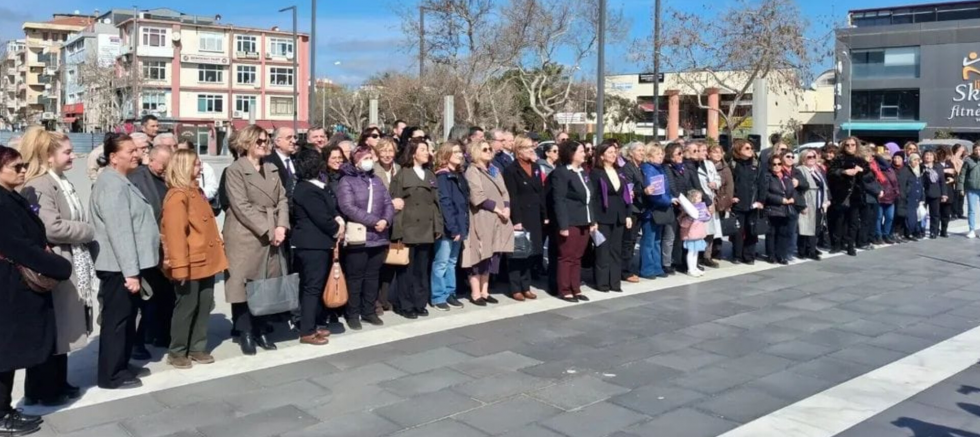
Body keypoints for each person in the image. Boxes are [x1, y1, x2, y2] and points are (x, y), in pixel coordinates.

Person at [0, 145, 72, 435]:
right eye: (15, 166)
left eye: (23, 165)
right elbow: (19, 246)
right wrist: (58, 266)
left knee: (10, 351)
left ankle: (5, 410)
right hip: (9, 286)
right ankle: (2, 414)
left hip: (15, 284)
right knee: (5, 352)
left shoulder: (10, 197)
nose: (22, 170)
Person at [19, 131, 94, 405]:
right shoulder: (40, 184)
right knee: (55, 329)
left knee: (63, 328)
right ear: (48, 156)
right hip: (55, 263)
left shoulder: (59, 181)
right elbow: (51, 227)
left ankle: (58, 382)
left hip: (68, 260)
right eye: (67, 152)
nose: (72, 155)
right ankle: (43, 389)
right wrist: (86, 231)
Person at [90, 133, 160, 389]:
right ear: (112, 157)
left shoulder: (121, 180)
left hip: (125, 266)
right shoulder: (111, 184)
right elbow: (120, 232)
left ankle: (120, 364)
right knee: (117, 322)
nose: (136, 154)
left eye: (136, 150)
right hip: (117, 267)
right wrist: (131, 273)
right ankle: (110, 375)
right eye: (129, 151)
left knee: (128, 319)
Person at [223, 125, 289, 355]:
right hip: (245, 235)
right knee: (242, 284)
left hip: (272, 231)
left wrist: (281, 225)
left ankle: (262, 328)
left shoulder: (271, 168)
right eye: (259, 141)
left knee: (266, 283)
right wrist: (269, 230)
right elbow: (241, 206)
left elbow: (282, 199)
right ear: (247, 143)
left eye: (266, 141)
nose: (264, 144)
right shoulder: (235, 170)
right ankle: (245, 332)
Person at [160, 149, 229, 368]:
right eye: (197, 165)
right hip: (190, 262)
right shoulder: (177, 196)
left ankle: (197, 347)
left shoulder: (195, 191)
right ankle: (178, 350)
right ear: (183, 167)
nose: (200, 169)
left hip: (205, 260)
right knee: (186, 306)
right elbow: (175, 235)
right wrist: (179, 267)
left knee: (204, 303)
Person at [291, 147, 345, 341]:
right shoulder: (306, 189)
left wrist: (338, 218)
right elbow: (321, 217)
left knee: (315, 286)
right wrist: (337, 227)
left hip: (319, 244)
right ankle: (307, 330)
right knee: (311, 287)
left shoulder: (316, 186)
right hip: (311, 245)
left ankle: (313, 324)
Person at [336, 146, 393, 328]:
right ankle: (352, 313)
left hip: (379, 237)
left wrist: (385, 220)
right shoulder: (347, 181)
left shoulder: (376, 180)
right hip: (358, 238)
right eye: (366, 157)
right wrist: (373, 221)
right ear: (356, 161)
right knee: (355, 277)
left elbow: (388, 203)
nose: (370, 161)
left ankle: (368, 310)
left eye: (371, 157)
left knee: (372, 276)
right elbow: (348, 207)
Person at [128, 145, 174, 359]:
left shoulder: (168, 177)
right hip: (145, 246)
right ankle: (138, 341)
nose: (164, 170)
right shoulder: (137, 178)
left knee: (164, 294)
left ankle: (160, 334)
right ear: (151, 159)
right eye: (162, 166)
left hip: (164, 246)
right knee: (146, 297)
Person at [389, 138, 443, 319]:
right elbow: (395, 204)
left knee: (421, 269)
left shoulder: (430, 174)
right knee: (406, 270)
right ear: (413, 153)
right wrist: (397, 231)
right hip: (408, 228)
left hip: (426, 228)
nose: (427, 152)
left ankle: (420, 302)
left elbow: (435, 203)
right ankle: (405, 304)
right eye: (422, 149)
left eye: (427, 149)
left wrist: (438, 226)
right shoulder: (402, 175)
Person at [462, 140, 512, 305]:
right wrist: (497, 209)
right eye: (485, 149)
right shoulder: (472, 171)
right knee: (479, 255)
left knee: (492, 256)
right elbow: (477, 196)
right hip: (482, 217)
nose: (489, 151)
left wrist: (507, 208)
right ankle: (475, 293)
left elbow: (505, 191)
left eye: (490, 149)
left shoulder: (495, 170)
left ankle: (485, 291)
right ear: (476, 152)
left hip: (498, 219)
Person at [547, 140, 596, 303]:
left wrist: (593, 220)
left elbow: (589, 198)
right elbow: (558, 200)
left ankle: (576, 287)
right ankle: (565, 289)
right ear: (571, 154)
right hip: (570, 221)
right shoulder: (561, 173)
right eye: (581, 151)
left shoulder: (582, 172)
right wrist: (563, 225)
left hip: (584, 220)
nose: (584, 154)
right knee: (566, 256)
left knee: (577, 256)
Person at [502, 136, 545, 301]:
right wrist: (516, 219)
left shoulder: (535, 167)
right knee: (518, 253)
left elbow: (540, 191)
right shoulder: (511, 170)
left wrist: (544, 215)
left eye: (531, 147)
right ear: (518, 150)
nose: (531, 150)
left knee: (531, 252)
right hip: (520, 215)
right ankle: (516, 287)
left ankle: (526, 286)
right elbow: (512, 196)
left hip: (534, 215)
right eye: (527, 148)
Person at [589, 141, 632, 292]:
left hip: (619, 216)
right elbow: (593, 198)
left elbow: (626, 195)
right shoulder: (596, 173)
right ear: (601, 155)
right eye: (610, 152)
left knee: (616, 250)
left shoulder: (620, 172)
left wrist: (628, 214)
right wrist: (593, 219)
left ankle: (615, 283)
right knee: (602, 250)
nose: (613, 155)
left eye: (615, 152)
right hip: (603, 216)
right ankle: (602, 283)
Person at [432, 141, 469, 310]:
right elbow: (445, 203)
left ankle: (450, 292)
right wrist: (453, 227)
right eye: (455, 152)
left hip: (460, 224)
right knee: (441, 262)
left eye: (460, 152)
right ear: (446, 155)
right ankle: (438, 296)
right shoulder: (443, 176)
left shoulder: (459, 174)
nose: (460, 155)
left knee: (452, 262)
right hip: (449, 227)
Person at [371, 137, 400, 314]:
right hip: (379, 221)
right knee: (377, 263)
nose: (387, 155)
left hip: (397, 222)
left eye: (390, 151)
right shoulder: (373, 171)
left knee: (392, 262)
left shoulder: (400, 169)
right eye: (384, 151)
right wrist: (390, 203)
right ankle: (374, 301)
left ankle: (386, 297)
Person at [638, 143, 671, 279]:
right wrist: (668, 201)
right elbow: (655, 193)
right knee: (648, 241)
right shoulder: (649, 169)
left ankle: (657, 267)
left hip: (659, 209)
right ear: (650, 156)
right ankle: (647, 269)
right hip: (651, 210)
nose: (661, 156)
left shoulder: (659, 168)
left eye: (662, 154)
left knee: (657, 240)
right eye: (658, 154)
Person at [828, 137, 864, 256]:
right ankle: (836, 244)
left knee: (853, 222)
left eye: (852, 145)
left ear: (856, 146)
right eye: (847, 145)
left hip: (855, 194)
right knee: (839, 221)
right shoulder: (839, 158)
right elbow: (831, 172)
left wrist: (861, 170)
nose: (850, 147)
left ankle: (850, 245)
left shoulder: (860, 159)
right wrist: (843, 172)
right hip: (841, 194)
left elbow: (869, 174)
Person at [760, 154, 795, 264]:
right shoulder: (767, 177)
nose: (776, 166)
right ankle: (771, 255)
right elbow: (765, 194)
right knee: (771, 233)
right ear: (770, 165)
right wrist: (780, 200)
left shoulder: (786, 176)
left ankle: (782, 255)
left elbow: (792, 190)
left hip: (786, 209)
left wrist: (793, 198)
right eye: (774, 164)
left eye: (779, 164)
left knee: (783, 233)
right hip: (772, 208)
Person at [795, 149, 830, 260]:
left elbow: (823, 187)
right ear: (803, 158)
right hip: (807, 201)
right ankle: (803, 250)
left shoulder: (816, 170)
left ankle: (811, 248)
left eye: (813, 157)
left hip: (818, 202)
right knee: (805, 226)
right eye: (809, 157)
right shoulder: (800, 170)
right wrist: (802, 204)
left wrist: (826, 200)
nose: (812, 159)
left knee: (816, 227)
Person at [620, 142, 646, 282]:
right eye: (639, 150)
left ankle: (628, 267)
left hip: (640, 208)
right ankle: (625, 270)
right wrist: (643, 191)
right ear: (631, 153)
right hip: (632, 208)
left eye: (643, 150)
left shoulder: (640, 168)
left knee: (633, 239)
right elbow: (629, 188)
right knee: (628, 241)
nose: (642, 153)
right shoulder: (628, 168)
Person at [696, 142, 722, 267]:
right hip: (699, 201)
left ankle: (707, 255)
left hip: (710, 198)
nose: (705, 153)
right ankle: (696, 257)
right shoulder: (694, 166)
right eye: (702, 150)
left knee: (710, 230)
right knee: (698, 230)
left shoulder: (709, 164)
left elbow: (717, 178)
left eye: (705, 150)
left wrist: (715, 184)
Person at [708, 145, 734, 260]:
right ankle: (706, 253)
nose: (718, 155)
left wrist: (726, 202)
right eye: (715, 152)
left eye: (720, 152)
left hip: (721, 200)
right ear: (709, 154)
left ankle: (717, 251)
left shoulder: (725, 168)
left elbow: (729, 186)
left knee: (719, 228)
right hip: (709, 200)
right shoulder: (706, 166)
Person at [679, 189, 711, 277]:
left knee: (696, 251)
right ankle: (690, 269)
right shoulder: (687, 210)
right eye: (698, 198)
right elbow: (682, 223)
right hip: (690, 234)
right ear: (692, 199)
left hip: (698, 234)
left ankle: (694, 267)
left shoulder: (702, 207)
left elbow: (707, 217)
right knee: (691, 252)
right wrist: (690, 218)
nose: (700, 200)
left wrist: (706, 214)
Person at [176, 140, 218, 205]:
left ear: (191, 151)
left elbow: (212, 188)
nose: (181, 154)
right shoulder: (175, 167)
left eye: (184, 151)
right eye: (178, 151)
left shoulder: (205, 167)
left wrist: (199, 197)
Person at [871, 148, 899, 245]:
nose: (887, 162)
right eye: (885, 160)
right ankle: (878, 235)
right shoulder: (876, 169)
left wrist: (896, 193)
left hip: (890, 197)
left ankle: (886, 234)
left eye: (889, 160)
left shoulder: (890, 170)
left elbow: (895, 183)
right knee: (878, 217)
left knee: (889, 217)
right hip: (880, 197)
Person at [264, 127, 298, 199]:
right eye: (289, 138)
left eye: (294, 137)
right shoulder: (268, 162)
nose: (294, 141)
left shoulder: (299, 159)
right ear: (277, 142)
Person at [921, 150, 948, 239]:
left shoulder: (938, 167)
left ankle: (934, 231)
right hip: (923, 193)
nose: (928, 157)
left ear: (934, 157)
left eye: (930, 155)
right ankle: (921, 230)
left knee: (935, 214)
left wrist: (944, 193)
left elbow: (942, 181)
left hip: (935, 193)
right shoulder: (920, 167)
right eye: (926, 155)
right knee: (922, 213)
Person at [899, 153, 925, 240]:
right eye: (914, 160)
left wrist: (922, 197)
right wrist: (903, 196)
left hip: (917, 198)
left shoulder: (918, 171)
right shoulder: (905, 170)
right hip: (908, 198)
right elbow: (902, 185)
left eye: (918, 160)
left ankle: (914, 232)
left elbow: (921, 186)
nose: (916, 162)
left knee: (917, 217)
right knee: (910, 218)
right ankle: (908, 233)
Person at [957, 142, 980, 238]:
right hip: (972, 188)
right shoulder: (968, 160)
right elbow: (962, 174)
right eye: (976, 150)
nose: (978, 152)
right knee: (971, 210)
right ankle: (971, 230)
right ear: (973, 150)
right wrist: (961, 188)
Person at [937, 146, 956, 238]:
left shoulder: (950, 163)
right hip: (938, 190)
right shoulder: (935, 164)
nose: (943, 156)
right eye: (941, 154)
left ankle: (944, 230)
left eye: (945, 154)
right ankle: (935, 229)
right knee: (937, 212)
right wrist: (944, 171)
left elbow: (954, 174)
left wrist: (953, 179)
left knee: (946, 213)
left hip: (948, 189)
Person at [891, 153, 910, 242]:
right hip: (892, 197)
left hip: (903, 196)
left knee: (902, 215)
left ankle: (900, 233)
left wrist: (906, 192)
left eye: (898, 158)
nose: (896, 160)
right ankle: (893, 233)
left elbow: (909, 183)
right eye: (895, 158)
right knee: (893, 215)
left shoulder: (906, 169)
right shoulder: (890, 169)